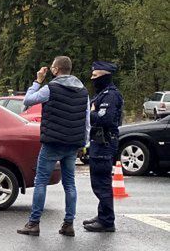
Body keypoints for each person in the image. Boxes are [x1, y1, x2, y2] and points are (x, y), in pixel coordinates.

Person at [17, 56, 89, 237]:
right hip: (73, 143)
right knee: (70, 184)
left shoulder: (51, 88)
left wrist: (37, 81)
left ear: (56, 70)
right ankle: (68, 223)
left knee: (41, 181)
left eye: (52, 68)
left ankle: (34, 223)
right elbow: (87, 119)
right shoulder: (83, 91)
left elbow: (28, 100)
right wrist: (83, 143)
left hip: (52, 143)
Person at [84, 60, 123, 233]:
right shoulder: (103, 94)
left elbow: (104, 119)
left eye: (95, 76)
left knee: (102, 182)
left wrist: (92, 113)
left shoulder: (110, 95)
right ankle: (103, 215)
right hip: (99, 142)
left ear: (105, 76)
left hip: (104, 142)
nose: (92, 78)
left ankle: (107, 221)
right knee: (99, 181)